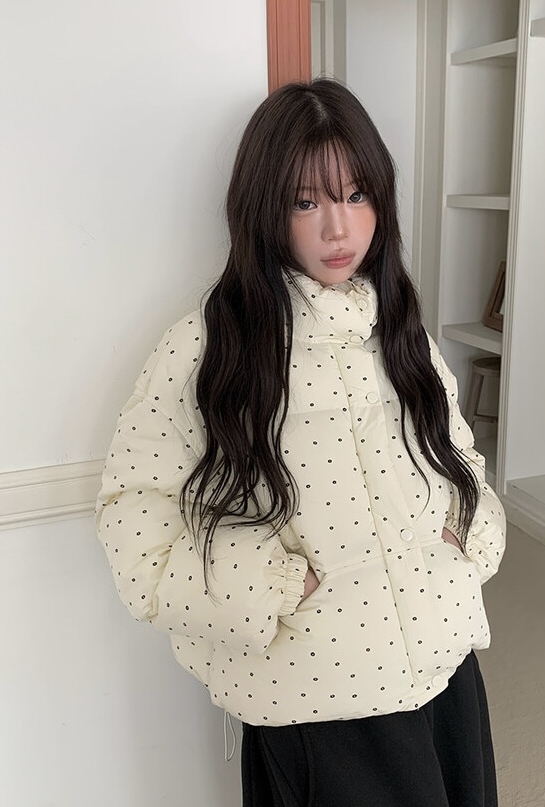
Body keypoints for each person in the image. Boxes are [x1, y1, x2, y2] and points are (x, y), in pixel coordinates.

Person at [96, 79, 506, 807]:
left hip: (445, 673)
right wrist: (264, 585)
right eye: (305, 202)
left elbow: (461, 455)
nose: (339, 230)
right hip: (318, 703)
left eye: (356, 195)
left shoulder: (398, 329)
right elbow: (133, 517)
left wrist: (463, 531)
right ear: (263, 209)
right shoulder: (208, 344)